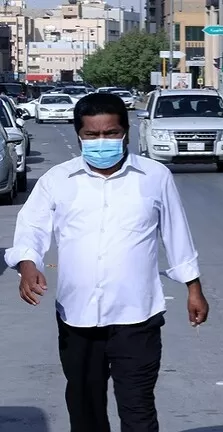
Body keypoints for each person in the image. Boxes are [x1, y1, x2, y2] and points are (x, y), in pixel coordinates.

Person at [4, 92, 209, 432]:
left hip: (137, 315)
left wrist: (193, 288)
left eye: (110, 133)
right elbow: (32, 227)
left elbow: (177, 234)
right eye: (92, 134)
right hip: (77, 315)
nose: (102, 141)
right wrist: (27, 264)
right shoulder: (57, 180)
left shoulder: (154, 176)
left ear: (125, 132)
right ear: (79, 136)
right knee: (84, 406)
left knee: (138, 408)